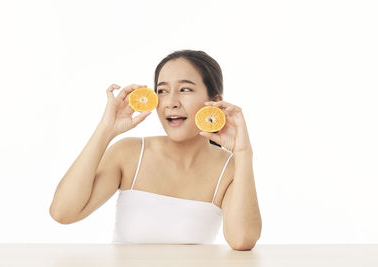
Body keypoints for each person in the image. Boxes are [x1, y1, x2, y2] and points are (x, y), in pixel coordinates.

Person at [49, 50, 262, 250]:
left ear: (215, 102)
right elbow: (63, 213)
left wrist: (243, 153)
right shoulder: (129, 153)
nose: (171, 102)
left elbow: (242, 239)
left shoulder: (230, 169)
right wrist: (106, 130)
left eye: (185, 89)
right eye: (162, 91)